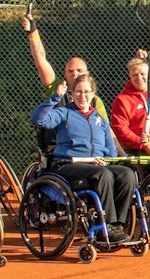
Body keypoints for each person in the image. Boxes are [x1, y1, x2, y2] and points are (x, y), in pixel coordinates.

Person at [31, 74, 138, 244]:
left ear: (93, 93)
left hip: (97, 165)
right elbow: (39, 119)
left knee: (127, 174)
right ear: (72, 93)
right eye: (78, 92)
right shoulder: (64, 113)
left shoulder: (100, 120)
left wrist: (107, 160)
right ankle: (105, 226)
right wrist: (55, 97)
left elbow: (111, 150)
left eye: (87, 91)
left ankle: (117, 225)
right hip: (68, 164)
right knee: (104, 175)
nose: (83, 96)